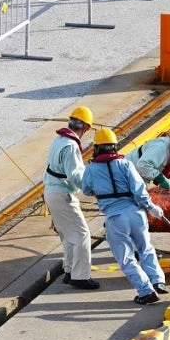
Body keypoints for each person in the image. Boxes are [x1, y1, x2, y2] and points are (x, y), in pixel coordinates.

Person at [81, 128, 169, 305]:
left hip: (115, 217)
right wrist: (151, 207)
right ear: (114, 147)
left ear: (97, 148)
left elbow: (86, 189)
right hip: (136, 213)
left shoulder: (91, 169)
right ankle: (157, 280)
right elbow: (139, 189)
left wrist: (103, 189)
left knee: (126, 257)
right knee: (145, 248)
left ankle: (145, 291)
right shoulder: (125, 164)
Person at [44, 106, 99, 290]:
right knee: (82, 234)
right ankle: (80, 276)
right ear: (84, 127)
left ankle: (69, 271)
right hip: (62, 195)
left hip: (51, 192)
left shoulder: (59, 140)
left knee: (68, 235)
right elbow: (75, 174)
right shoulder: (71, 146)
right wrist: (91, 188)